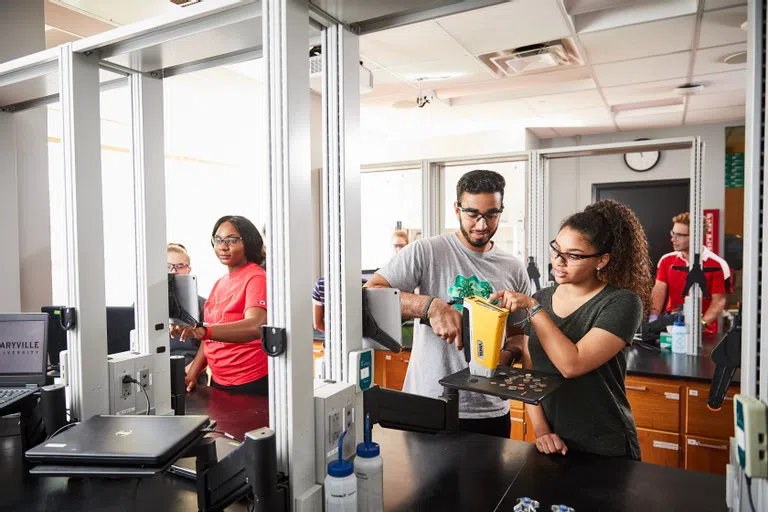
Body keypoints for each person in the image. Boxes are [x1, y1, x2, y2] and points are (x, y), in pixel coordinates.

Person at [366, 169, 530, 439]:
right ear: (456, 209)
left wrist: (507, 356)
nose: (482, 224)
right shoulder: (427, 251)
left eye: (491, 214)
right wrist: (432, 307)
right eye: (472, 214)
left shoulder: (513, 268)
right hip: (427, 404)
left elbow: (519, 336)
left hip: (489, 411)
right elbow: (373, 291)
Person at [490, 199, 650, 460]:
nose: (559, 261)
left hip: (605, 446)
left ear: (602, 260)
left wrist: (532, 308)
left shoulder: (622, 303)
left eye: (573, 255)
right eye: (556, 250)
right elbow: (531, 376)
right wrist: (541, 432)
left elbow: (571, 364)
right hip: (551, 443)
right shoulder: (542, 297)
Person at [172, 216, 269, 395]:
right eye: (218, 240)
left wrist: (204, 330)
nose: (223, 246)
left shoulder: (256, 277)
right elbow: (209, 337)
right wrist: (193, 373)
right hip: (218, 379)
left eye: (232, 240)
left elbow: (256, 325)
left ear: (248, 242)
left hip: (250, 379)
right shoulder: (220, 283)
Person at [650, 212, 729, 333]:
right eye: (673, 233)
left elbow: (718, 302)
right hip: (672, 329)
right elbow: (659, 291)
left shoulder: (718, 265)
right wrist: (653, 320)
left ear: (696, 236)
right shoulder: (666, 260)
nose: (673, 239)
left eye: (680, 235)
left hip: (704, 333)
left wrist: (701, 325)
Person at [167, 243, 208, 385]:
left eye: (180, 266)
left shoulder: (203, 305)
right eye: (168, 266)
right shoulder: (145, 304)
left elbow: (210, 339)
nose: (173, 271)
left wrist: (193, 370)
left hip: (191, 370)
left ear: (188, 270)